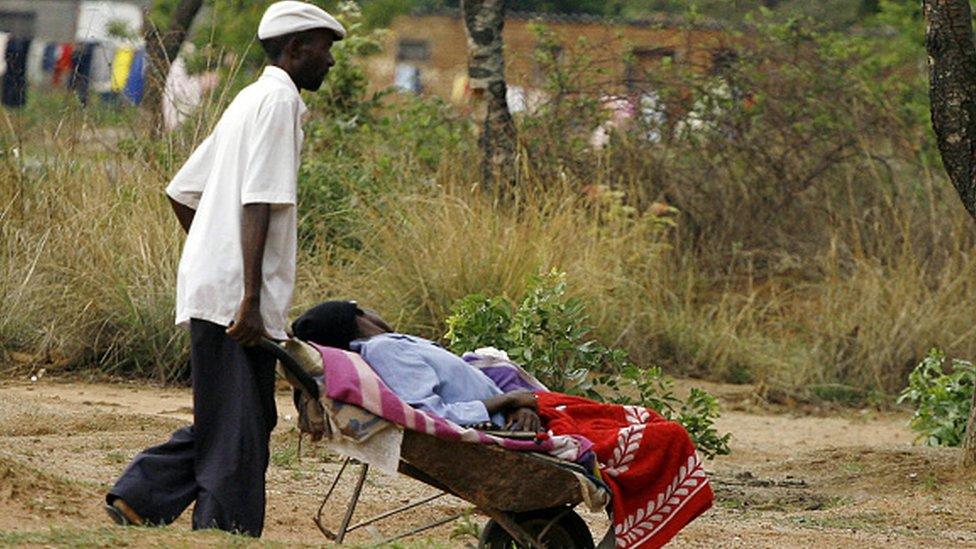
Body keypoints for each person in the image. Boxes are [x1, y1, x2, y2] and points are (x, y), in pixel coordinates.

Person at [104, 2, 345, 537]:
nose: (330, 62)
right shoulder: (278, 102)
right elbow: (259, 200)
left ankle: (141, 495)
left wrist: (211, 254)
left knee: (243, 419)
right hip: (238, 299)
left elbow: (184, 191)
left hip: (217, 286)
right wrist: (249, 295)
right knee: (238, 431)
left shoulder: (249, 99)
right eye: (325, 50)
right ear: (296, 48)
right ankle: (222, 532)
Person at [291, 301, 544, 432]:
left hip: (516, 413)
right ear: (360, 316)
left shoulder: (391, 344)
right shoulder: (384, 350)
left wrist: (517, 405)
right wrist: (509, 401)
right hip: (505, 422)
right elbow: (431, 414)